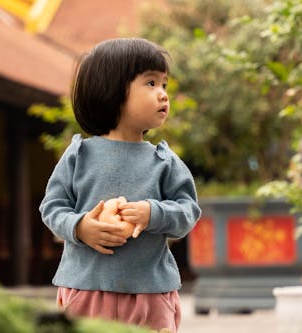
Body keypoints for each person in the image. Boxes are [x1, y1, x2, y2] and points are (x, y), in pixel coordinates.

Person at [39, 37, 202, 333]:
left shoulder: (164, 161)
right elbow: (52, 208)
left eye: (164, 84)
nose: (163, 95)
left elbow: (188, 212)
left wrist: (153, 213)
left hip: (150, 293)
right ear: (112, 90)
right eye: (151, 83)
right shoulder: (78, 155)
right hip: (85, 289)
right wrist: (80, 227)